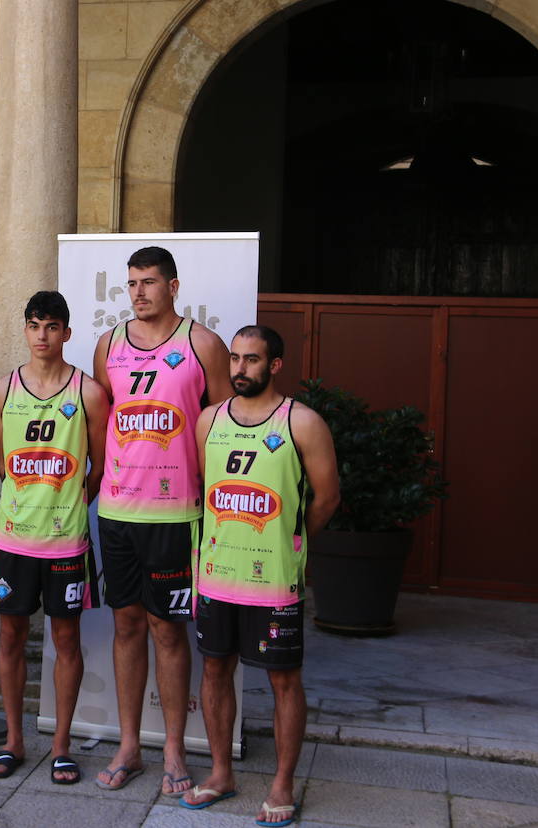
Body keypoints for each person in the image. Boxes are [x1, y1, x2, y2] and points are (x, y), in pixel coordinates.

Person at [181, 326, 339, 827]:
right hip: (216, 576)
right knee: (213, 671)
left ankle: (282, 784)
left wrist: (292, 544)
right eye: (234, 359)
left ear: (274, 365)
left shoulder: (303, 422)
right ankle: (221, 772)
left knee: (283, 680)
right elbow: (206, 490)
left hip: (272, 580)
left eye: (252, 360)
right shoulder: (209, 421)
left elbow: (327, 498)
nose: (239, 369)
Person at [91, 245, 230, 795]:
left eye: (149, 282)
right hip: (117, 509)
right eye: (132, 283)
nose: (139, 292)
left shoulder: (203, 345)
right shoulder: (109, 345)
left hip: (176, 514)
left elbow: (223, 427)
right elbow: (101, 420)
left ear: (174, 286)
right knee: (126, 625)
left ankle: (173, 748)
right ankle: (130, 745)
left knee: (167, 629)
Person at [0, 291, 108, 785]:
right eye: (34, 325)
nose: (42, 335)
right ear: (25, 329)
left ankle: (61, 746)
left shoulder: (89, 393)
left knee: (66, 639)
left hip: (66, 541)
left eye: (52, 326)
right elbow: (0, 464)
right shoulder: (1, 391)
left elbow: (97, 468)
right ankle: (13, 740)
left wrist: (70, 502)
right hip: (14, 541)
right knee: (11, 636)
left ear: (67, 333)